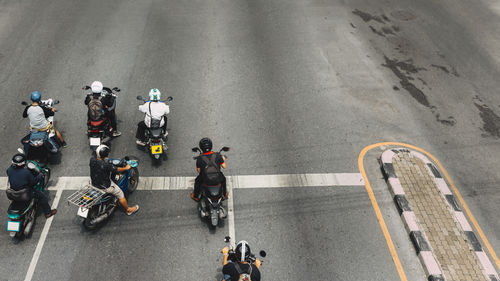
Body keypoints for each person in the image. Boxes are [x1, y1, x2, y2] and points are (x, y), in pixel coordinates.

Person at [89, 145, 139, 215]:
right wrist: (126, 168)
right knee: (120, 194)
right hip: (105, 186)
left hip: (94, 183)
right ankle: (128, 210)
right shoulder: (105, 165)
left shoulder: (92, 160)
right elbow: (116, 169)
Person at [6, 153, 57, 218]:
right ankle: (48, 213)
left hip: (12, 194)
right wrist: (40, 175)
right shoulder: (26, 172)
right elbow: (34, 182)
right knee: (42, 197)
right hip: (24, 194)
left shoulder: (9, 170)